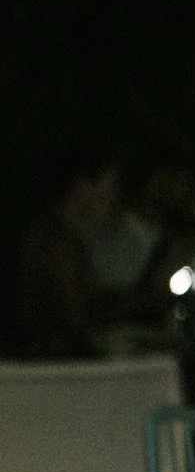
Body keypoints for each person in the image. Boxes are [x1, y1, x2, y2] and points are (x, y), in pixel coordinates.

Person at [13, 149, 122, 354]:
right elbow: (75, 314)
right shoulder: (56, 240)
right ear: (82, 186)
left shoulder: (60, 234)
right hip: (54, 363)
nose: (113, 198)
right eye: (109, 186)